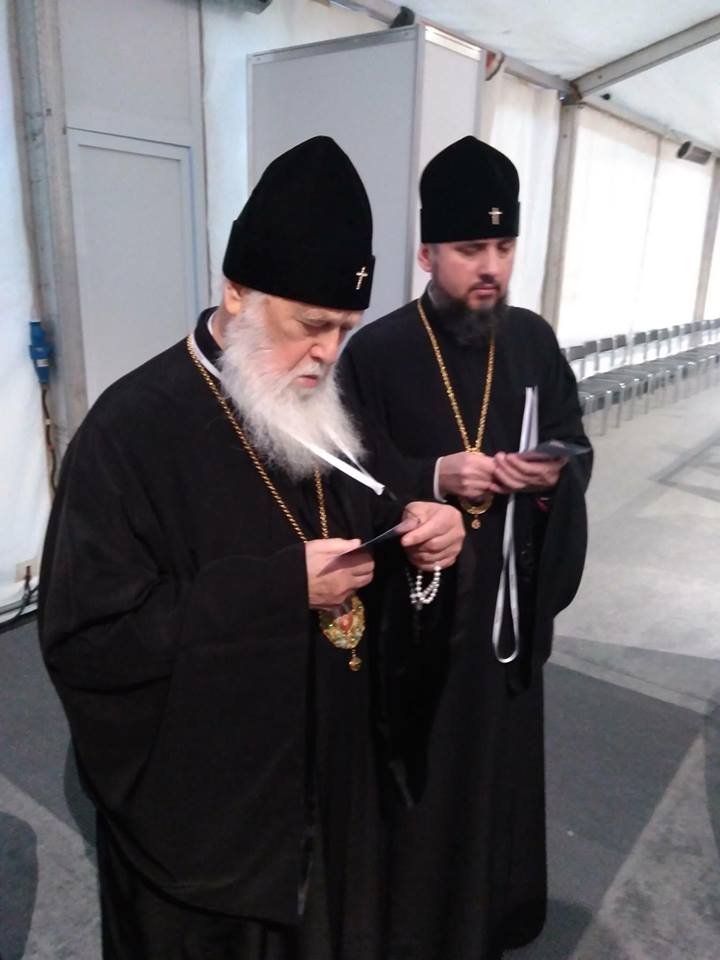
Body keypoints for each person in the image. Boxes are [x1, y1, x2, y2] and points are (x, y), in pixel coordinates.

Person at [38, 136, 465, 960]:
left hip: (326, 798)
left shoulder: (319, 405)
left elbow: (372, 503)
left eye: (345, 329)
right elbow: (88, 639)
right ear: (236, 292)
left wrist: (423, 534)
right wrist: (276, 593)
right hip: (210, 837)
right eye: (310, 325)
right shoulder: (131, 431)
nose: (327, 353)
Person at [338, 135, 592, 960]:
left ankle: (491, 918)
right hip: (420, 623)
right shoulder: (377, 353)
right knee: (424, 780)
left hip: (507, 613)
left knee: (495, 777)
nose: (491, 268)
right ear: (427, 253)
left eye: (504, 247)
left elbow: (572, 441)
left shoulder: (533, 341)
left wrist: (548, 473)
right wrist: (432, 475)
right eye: (471, 249)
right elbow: (344, 476)